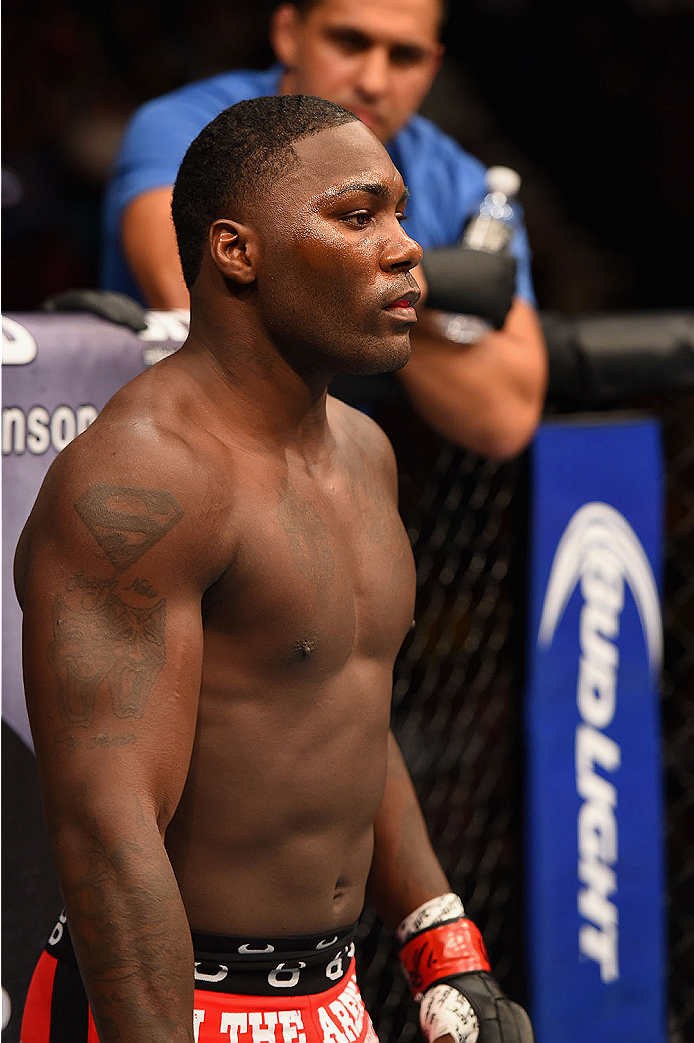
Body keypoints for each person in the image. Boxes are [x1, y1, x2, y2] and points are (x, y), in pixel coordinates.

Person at [17, 96, 532, 1043]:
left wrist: (441, 942)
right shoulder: (145, 474)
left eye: (401, 213)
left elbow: (343, 710)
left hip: (331, 997)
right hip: (162, 999)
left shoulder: (364, 449)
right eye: (355, 214)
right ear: (236, 251)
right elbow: (109, 827)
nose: (408, 247)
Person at [101, 0, 547, 459]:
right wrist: (400, 289)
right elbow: (197, 300)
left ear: (432, 67)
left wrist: (402, 293)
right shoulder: (188, 130)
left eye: (404, 56)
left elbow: (503, 417)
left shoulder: (464, 184)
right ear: (289, 33)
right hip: (166, 460)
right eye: (349, 42)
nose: (373, 81)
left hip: (348, 482)